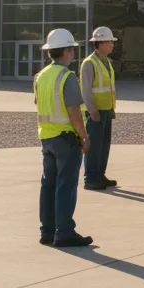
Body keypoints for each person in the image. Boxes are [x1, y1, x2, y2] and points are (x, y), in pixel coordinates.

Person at [35, 28, 93, 247]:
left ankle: (47, 231)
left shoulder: (40, 76)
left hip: (46, 138)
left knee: (48, 185)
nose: (73, 54)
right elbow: (74, 111)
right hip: (66, 139)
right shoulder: (67, 77)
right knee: (65, 186)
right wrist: (84, 136)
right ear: (67, 51)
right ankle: (65, 232)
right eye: (72, 50)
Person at [81, 26, 119, 191]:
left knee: (104, 145)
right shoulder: (89, 63)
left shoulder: (107, 63)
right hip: (95, 112)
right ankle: (90, 178)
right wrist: (93, 110)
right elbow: (86, 90)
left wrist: (111, 108)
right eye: (110, 41)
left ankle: (100, 174)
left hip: (105, 110)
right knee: (93, 146)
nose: (112, 44)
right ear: (101, 43)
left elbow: (109, 88)